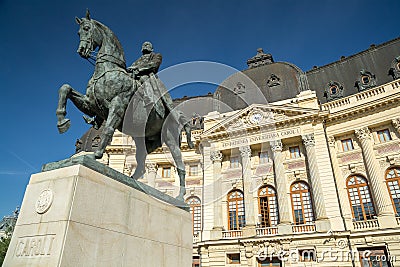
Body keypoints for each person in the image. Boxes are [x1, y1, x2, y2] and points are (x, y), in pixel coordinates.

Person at [127, 41, 194, 148]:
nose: (145, 46)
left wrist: (139, 69)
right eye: (144, 45)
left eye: (148, 45)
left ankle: (151, 101)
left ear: (151, 48)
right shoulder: (138, 60)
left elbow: (153, 65)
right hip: (136, 79)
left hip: (150, 78)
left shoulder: (156, 56)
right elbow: (132, 67)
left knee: (147, 82)